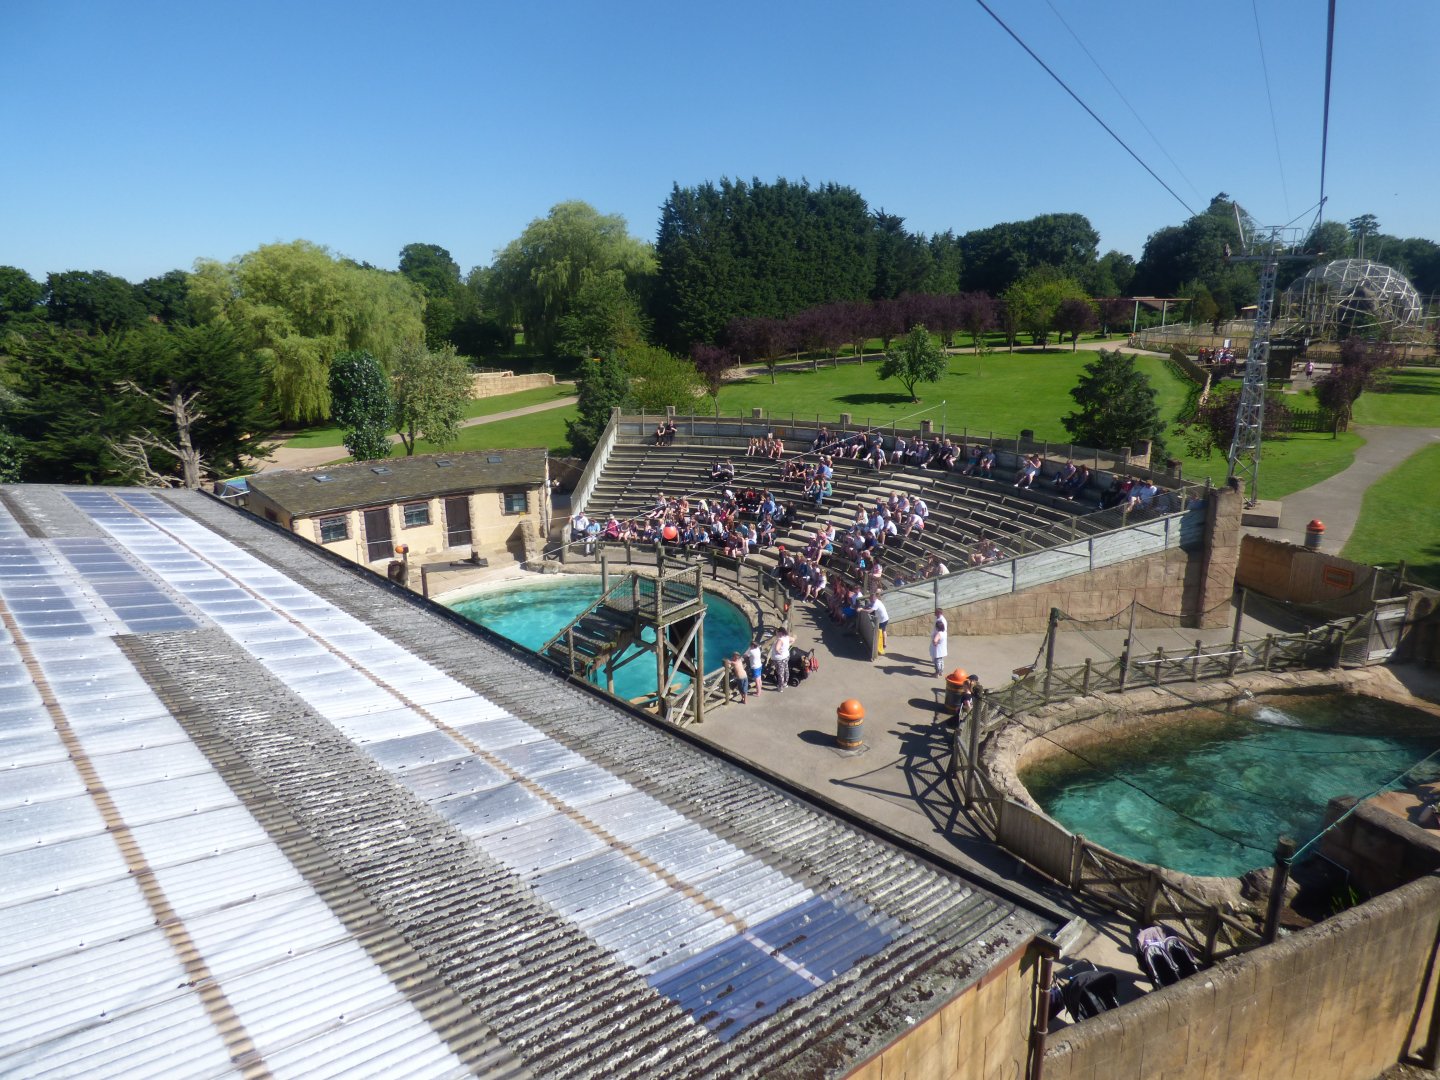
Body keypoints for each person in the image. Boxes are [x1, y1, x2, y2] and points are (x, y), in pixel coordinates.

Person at [770, 628, 793, 693]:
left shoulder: (780, 640)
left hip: (779, 659)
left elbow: (777, 649)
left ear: (780, 633)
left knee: (780, 673)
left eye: (777, 632)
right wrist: (788, 645)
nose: (776, 633)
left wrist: (780, 652)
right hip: (786, 656)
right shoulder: (787, 637)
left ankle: (780, 687)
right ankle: (785, 683)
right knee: (786, 670)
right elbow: (793, 639)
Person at [930, 609, 948, 676]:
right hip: (942, 649)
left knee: (937, 661)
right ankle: (941, 671)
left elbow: (935, 641)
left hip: (938, 650)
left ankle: (937, 672)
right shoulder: (944, 633)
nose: (934, 613)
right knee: (941, 660)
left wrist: (935, 643)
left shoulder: (939, 633)